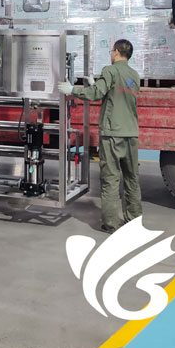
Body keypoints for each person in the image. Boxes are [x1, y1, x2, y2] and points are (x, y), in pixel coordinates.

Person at [59, 39, 141, 233]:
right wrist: (98, 83)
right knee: (131, 178)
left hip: (113, 134)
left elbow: (97, 93)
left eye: (111, 51)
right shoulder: (134, 75)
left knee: (110, 179)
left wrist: (73, 90)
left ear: (116, 52)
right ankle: (134, 220)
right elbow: (118, 95)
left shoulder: (110, 71)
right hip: (131, 132)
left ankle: (111, 223)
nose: (110, 54)